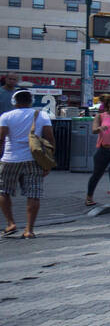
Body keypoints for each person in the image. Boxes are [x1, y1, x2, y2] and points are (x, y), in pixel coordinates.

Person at [0, 89, 55, 238]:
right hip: (34, 159)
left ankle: (11, 223)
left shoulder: (6, 116)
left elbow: (1, 139)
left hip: (10, 158)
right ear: (31, 101)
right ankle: (29, 230)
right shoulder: (41, 115)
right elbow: (50, 138)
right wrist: (48, 163)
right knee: (33, 194)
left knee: (3, 191)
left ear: (14, 101)